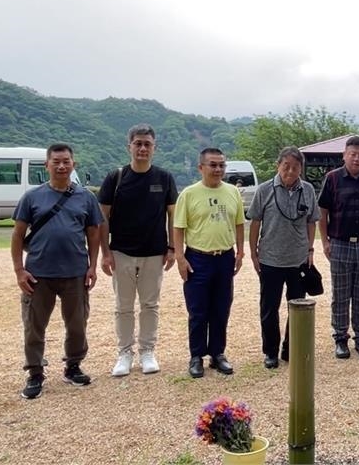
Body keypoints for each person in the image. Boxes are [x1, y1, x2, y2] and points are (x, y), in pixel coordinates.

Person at [11, 143, 102, 399]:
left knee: (77, 324)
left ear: (74, 164)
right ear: (47, 165)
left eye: (66, 161)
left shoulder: (86, 197)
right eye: (56, 162)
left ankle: (73, 366)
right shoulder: (32, 197)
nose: (61, 166)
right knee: (34, 326)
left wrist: (92, 266)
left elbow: (93, 233)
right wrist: (19, 270)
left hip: (75, 272)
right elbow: (18, 235)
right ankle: (35, 372)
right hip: (39, 274)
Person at [98, 123, 178, 377]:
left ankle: (147, 351)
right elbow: (103, 218)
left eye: (147, 144)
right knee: (123, 306)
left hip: (154, 252)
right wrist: (105, 253)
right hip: (121, 251)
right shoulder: (116, 178)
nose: (142, 148)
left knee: (150, 305)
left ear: (155, 148)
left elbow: (172, 216)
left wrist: (172, 248)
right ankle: (124, 353)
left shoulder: (164, 178)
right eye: (138, 144)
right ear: (129, 146)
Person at [172, 148, 246, 377]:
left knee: (221, 308)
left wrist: (240, 252)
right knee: (198, 310)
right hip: (198, 258)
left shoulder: (232, 192)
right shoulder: (189, 194)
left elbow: (239, 223)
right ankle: (196, 356)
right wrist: (180, 258)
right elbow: (178, 227)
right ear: (201, 167)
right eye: (213, 165)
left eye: (222, 165)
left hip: (224, 257)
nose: (218, 169)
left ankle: (217, 353)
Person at [248, 147, 320, 369]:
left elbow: (311, 221)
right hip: (270, 259)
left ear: (301, 169)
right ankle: (270, 351)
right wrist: (253, 253)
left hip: (298, 260)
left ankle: (291, 349)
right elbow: (255, 222)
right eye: (286, 166)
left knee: (297, 307)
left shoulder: (308, 190)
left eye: (295, 167)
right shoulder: (264, 190)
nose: (290, 171)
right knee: (269, 308)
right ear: (278, 165)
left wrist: (310, 250)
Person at [318, 136, 359, 360]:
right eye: (353, 154)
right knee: (340, 294)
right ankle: (340, 338)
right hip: (339, 243)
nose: (357, 159)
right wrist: (325, 241)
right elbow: (323, 211)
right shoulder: (332, 178)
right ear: (344, 155)